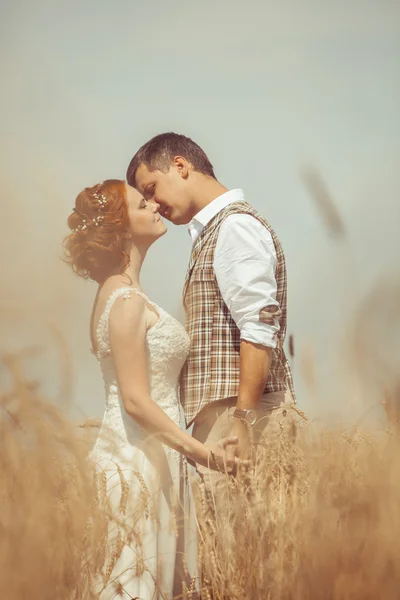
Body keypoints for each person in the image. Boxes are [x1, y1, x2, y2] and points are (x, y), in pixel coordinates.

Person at [63, 179, 242, 599]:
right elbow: (135, 400)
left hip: (157, 456)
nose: (155, 205)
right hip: (133, 462)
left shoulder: (127, 294)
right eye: (144, 203)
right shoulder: (125, 302)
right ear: (123, 228)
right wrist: (203, 454)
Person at [127, 133, 296, 497]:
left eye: (152, 188)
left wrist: (243, 423)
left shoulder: (235, 226)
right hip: (228, 423)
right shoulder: (213, 232)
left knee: (252, 550)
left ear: (180, 166)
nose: (153, 204)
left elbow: (259, 326)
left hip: (244, 421)